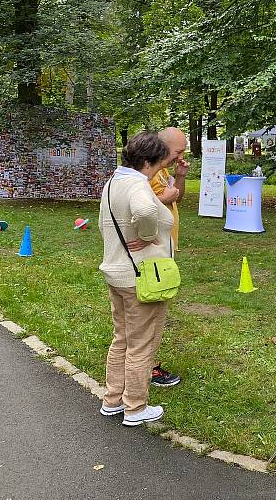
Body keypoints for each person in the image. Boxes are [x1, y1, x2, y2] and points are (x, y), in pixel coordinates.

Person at [98, 132, 174, 427]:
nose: (158, 170)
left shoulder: (113, 181)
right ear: (146, 162)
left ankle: (113, 400)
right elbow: (144, 210)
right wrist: (147, 235)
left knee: (122, 340)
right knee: (142, 344)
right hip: (141, 277)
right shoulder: (136, 184)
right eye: (157, 164)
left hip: (117, 272)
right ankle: (135, 407)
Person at [147, 127, 190, 387]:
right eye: (179, 150)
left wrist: (180, 178)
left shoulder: (163, 172)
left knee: (157, 305)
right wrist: (168, 195)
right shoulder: (148, 171)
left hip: (166, 246)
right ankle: (148, 367)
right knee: (151, 307)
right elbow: (145, 203)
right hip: (154, 250)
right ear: (163, 147)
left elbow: (177, 197)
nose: (182, 155)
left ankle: (147, 362)